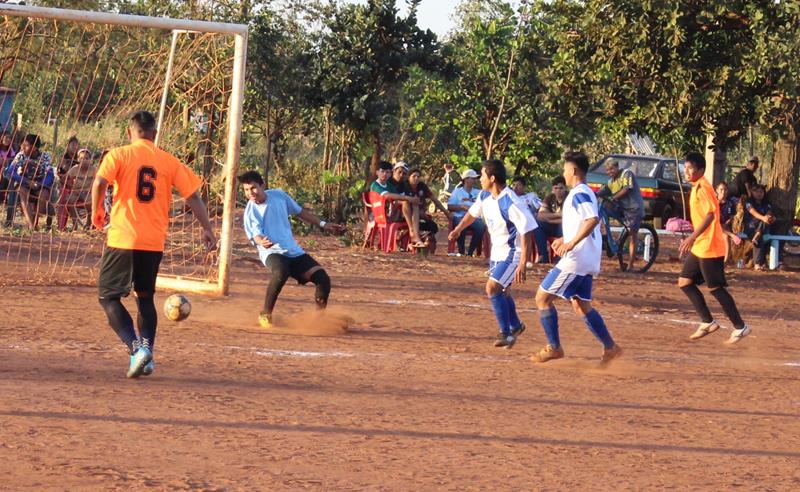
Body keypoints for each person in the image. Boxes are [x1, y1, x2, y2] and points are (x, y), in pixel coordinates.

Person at [91, 110, 217, 379]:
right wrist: (207, 228)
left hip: (123, 238)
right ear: (155, 134)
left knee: (107, 296)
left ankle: (136, 349)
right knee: (144, 297)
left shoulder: (118, 155)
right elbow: (193, 197)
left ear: (129, 132)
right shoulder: (169, 161)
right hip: (153, 241)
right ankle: (147, 355)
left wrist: (96, 212)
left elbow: (99, 182)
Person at [531, 151, 623, 365]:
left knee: (542, 299)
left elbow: (591, 220)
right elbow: (586, 222)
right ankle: (611, 348)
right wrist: (565, 237)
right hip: (587, 258)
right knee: (581, 305)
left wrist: (570, 244)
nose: (563, 172)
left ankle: (554, 347)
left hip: (576, 258)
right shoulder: (584, 192)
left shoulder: (579, 193)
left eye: (564, 169)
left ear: (573, 171)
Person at [448, 160, 536, 348]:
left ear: (492, 178)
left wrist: (523, 262)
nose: (480, 179)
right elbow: (472, 214)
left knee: (492, 288)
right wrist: (458, 229)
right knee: (503, 291)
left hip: (513, 252)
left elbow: (527, 230)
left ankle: (505, 333)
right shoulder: (484, 196)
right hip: (497, 253)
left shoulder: (510, 201)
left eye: (482, 175)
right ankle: (516, 326)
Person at [240, 170, 345, 328]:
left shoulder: (278, 196)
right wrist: (262, 241)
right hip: (272, 252)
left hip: (293, 251)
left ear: (262, 185)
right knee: (281, 271)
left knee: (322, 278)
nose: (250, 193)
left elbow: (300, 212)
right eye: (246, 190)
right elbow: (255, 235)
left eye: (253, 188)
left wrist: (323, 224)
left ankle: (320, 318)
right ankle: (265, 314)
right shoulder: (251, 210)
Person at [677, 152, 751, 344]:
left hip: (709, 245)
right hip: (701, 246)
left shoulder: (703, 187)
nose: (686, 171)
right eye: (685, 168)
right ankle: (708, 321)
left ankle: (740, 327)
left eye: (690, 168)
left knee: (716, 288)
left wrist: (691, 237)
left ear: (700, 170)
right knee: (685, 282)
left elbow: (711, 215)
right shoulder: (696, 187)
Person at [596, 158, 645, 271]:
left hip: (634, 209)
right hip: (622, 208)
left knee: (632, 234)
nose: (610, 172)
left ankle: (631, 265)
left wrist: (613, 197)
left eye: (612, 169)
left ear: (617, 167)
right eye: (608, 170)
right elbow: (601, 192)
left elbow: (626, 189)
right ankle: (610, 241)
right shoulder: (610, 182)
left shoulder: (626, 174)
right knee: (603, 208)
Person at [4, 133, 54, 230]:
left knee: (44, 194)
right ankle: (31, 226)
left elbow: (50, 175)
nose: (22, 147)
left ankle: (35, 221)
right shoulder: (20, 155)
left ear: (34, 147)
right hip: (24, 184)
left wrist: (39, 184)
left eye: (25, 145)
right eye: (22, 145)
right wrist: (27, 181)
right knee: (22, 191)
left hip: (39, 184)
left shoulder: (45, 157)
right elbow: (10, 172)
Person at [370, 160, 425, 247]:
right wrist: (408, 198)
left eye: (387, 172)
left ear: (390, 174)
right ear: (377, 172)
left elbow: (398, 195)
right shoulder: (375, 185)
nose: (384, 174)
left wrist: (412, 199)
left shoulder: (389, 185)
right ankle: (412, 232)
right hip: (380, 214)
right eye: (382, 171)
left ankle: (415, 235)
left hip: (392, 211)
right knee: (405, 202)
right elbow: (387, 196)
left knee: (414, 204)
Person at [407, 168, 451, 252]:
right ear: (409, 177)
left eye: (418, 176)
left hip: (421, 216)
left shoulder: (422, 186)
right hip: (408, 216)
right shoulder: (405, 186)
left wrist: (446, 213)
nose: (416, 178)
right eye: (414, 176)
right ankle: (411, 239)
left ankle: (427, 244)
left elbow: (435, 200)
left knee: (433, 226)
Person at [447, 169, 486, 256]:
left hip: (474, 217)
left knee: (480, 226)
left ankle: (470, 252)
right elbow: (450, 206)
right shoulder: (457, 191)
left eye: (475, 178)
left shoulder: (478, 192)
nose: (474, 180)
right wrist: (462, 207)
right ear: (466, 179)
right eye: (472, 178)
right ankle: (461, 251)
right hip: (460, 216)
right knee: (461, 226)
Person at [534, 176, 567, 263]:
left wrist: (549, 218)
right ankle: (543, 256)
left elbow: (569, 219)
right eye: (556, 188)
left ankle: (559, 256)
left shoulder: (569, 197)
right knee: (538, 224)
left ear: (565, 188)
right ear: (553, 189)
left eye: (561, 188)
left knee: (563, 225)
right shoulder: (549, 198)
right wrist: (559, 215)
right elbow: (540, 215)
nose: (558, 190)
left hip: (565, 228)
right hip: (552, 226)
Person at [510, 176, 542, 267]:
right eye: (514, 185)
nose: (515, 187)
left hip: (528, 224)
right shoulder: (510, 198)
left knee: (526, 230)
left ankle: (527, 259)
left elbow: (541, 207)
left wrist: (536, 215)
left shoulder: (530, 197)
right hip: (513, 224)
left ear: (524, 187)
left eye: (518, 185)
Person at [742, 184, 775, 271]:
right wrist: (764, 218)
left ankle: (757, 264)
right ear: (752, 192)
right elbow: (753, 212)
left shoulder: (767, 204)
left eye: (761, 191)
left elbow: (769, 213)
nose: (759, 193)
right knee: (760, 236)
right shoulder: (748, 202)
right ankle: (758, 263)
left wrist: (769, 218)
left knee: (760, 236)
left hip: (762, 228)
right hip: (750, 227)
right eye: (756, 191)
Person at [62, 148, 97, 230]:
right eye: (81, 158)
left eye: (86, 158)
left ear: (90, 160)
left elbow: (99, 180)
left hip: (88, 191)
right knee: (69, 201)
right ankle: (75, 223)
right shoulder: (75, 169)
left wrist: (93, 189)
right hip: (76, 191)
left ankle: (88, 223)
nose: (84, 161)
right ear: (78, 160)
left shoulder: (93, 169)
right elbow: (65, 178)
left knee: (89, 203)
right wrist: (70, 185)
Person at [716, 181, 742, 263]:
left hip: (725, 227)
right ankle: (733, 236)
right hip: (714, 225)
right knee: (716, 225)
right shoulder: (713, 202)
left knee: (726, 236)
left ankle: (725, 260)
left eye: (725, 190)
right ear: (717, 190)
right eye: (721, 190)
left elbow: (731, 216)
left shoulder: (730, 203)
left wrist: (726, 223)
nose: (723, 192)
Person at [0, 132, 17, 225]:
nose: (8, 140)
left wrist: (7, 161)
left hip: (8, 174)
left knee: (11, 191)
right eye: (6, 137)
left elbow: (14, 161)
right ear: (1, 138)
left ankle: (9, 221)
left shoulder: (12, 149)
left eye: (10, 138)